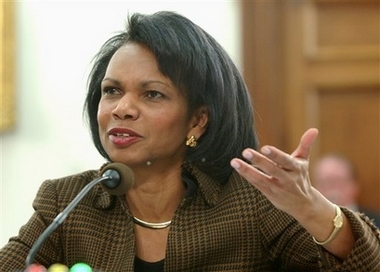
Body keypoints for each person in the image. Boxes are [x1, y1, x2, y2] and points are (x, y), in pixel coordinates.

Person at [1, 11, 380, 272]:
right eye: (112, 91)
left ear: (197, 120)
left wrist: (314, 209)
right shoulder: (68, 203)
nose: (122, 109)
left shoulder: (252, 206)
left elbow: (366, 264)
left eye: (152, 94)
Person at [312, 153, 380, 227]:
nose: (333, 190)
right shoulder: (305, 226)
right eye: (325, 183)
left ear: (355, 185)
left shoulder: (376, 223)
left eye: (339, 182)